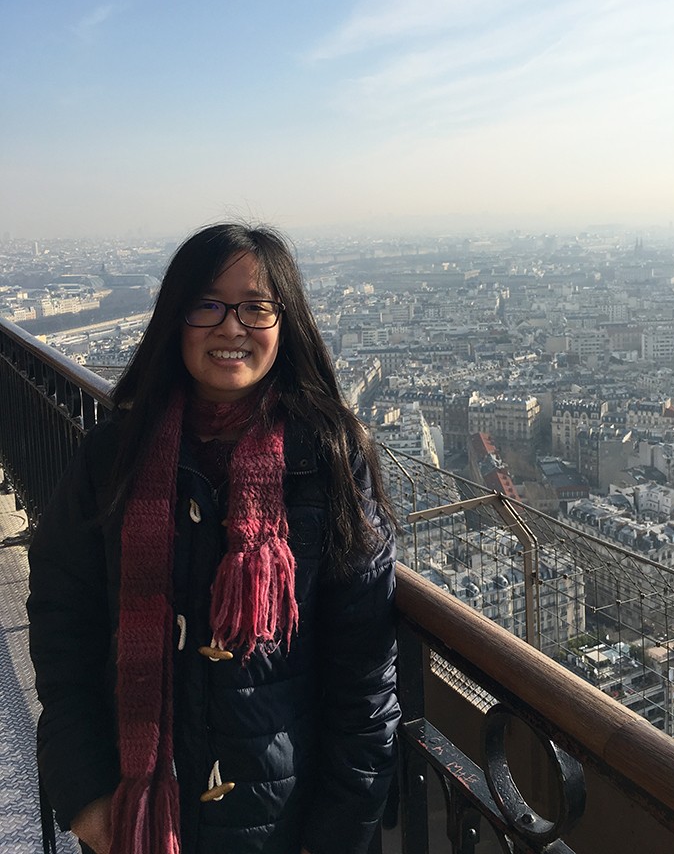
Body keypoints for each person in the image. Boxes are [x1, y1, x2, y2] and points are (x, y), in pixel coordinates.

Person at [27, 223, 400, 854]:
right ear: (176, 318)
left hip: (280, 819)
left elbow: (364, 668)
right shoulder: (112, 456)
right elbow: (64, 618)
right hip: (133, 817)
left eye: (255, 307)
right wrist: (85, 793)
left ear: (286, 324)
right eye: (208, 305)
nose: (232, 328)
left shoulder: (330, 459)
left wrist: (338, 833)